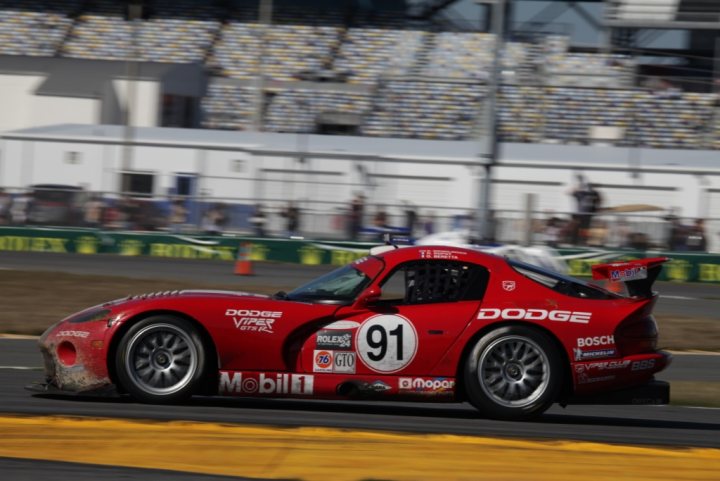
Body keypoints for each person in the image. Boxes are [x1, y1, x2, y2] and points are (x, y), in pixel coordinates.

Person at [569, 174, 602, 245]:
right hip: (580, 214)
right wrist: (578, 185)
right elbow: (571, 192)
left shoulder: (592, 194)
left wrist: (597, 207)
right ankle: (575, 241)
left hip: (587, 215)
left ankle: (583, 241)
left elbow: (599, 198)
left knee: (585, 229)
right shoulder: (580, 194)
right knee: (578, 227)